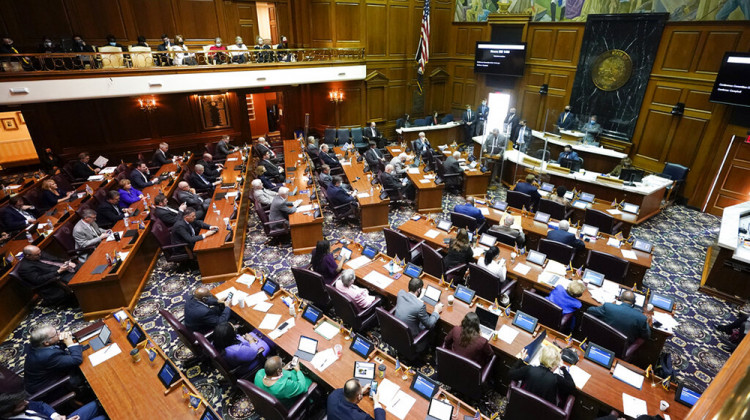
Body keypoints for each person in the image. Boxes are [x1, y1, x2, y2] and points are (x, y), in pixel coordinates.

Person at [23, 325, 84, 395]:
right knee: (83, 371)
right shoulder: (48, 355)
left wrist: (60, 340)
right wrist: (70, 343)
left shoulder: (37, 345)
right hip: (46, 389)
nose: (59, 333)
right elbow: (77, 360)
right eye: (56, 334)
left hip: (43, 376)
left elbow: (56, 348)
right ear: (46, 343)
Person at [508, 345, 575, 406]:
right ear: (554, 364)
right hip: (544, 414)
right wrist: (564, 369)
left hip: (523, 405)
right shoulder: (557, 379)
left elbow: (511, 373)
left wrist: (521, 359)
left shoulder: (529, 369)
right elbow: (572, 387)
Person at [586, 290, 651, 344]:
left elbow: (590, 310)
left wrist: (608, 307)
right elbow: (647, 335)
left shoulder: (608, 307)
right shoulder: (641, 318)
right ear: (634, 302)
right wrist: (647, 322)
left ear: (620, 298)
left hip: (600, 339)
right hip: (621, 347)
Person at [0, 391, 105, 420]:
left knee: (98, 403)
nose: (27, 402)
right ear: (10, 413)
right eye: (21, 404)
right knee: (104, 417)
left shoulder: (22, 403)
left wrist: (55, 416)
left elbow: (40, 405)